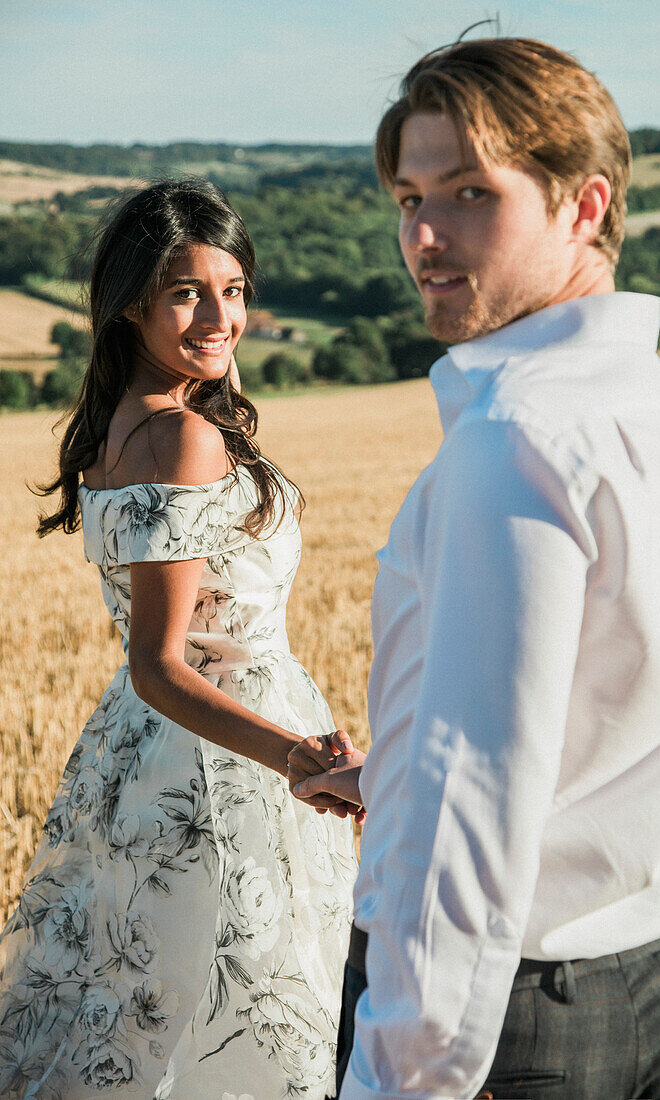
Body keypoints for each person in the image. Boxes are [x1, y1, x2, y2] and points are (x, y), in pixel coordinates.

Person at [288, 36, 660, 1099]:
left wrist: (403, 1074)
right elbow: (619, 703)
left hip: (513, 1026)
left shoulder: (512, 438)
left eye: (470, 194)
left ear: (584, 206)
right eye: (406, 197)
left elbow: (468, 819)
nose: (423, 237)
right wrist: (394, 779)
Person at [0, 179, 359, 1100]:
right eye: (186, 292)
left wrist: (208, 354)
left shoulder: (118, 431)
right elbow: (161, 666)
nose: (218, 313)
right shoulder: (183, 441)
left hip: (140, 756)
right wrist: (300, 762)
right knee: (234, 1022)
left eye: (234, 288)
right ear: (131, 305)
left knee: (137, 1009)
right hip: (221, 758)